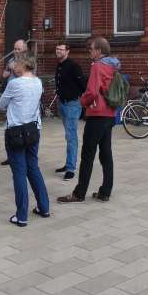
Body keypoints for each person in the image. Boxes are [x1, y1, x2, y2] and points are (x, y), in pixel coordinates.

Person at [58, 37, 120, 204]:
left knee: (87, 155)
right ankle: (105, 192)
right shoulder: (113, 66)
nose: (90, 52)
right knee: (106, 154)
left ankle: (79, 193)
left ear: (99, 51)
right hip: (109, 114)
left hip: (97, 115)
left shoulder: (98, 66)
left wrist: (81, 102)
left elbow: (92, 92)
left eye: (91, 49)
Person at [0, 54, 50, 227]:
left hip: (15, 131)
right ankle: (44, 207)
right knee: (33, 168)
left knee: (19, 172)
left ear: (22, 65)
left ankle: (21, 216)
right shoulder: (38, 82)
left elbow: (1, 104)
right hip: (33, 129)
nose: (13, 66)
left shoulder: (15, 83)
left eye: (15, 63)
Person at [54, 42, 86, 181]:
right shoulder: (59, 65)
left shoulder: (74, 66)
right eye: (57, 49)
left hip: (72, 104)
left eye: (61, 49)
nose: (58, 51)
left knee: (71, 136)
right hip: (62, 103)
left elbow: (83, 85)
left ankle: (71, 168)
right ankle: (68, 164)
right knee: (68, 135)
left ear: (67, 51)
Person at [0, 38, 28, 166]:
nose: (16, 51)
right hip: (9, 98)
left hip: (20, 100)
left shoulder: (28, 62)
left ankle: (21, 155)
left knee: (20, 128)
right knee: (8, 128)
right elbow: (4, 74)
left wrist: (14, 69)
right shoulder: (11, 60)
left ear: (24, 50)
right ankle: (10, 156)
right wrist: (7, 71)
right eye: (15, 49)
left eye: (19, 49)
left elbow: (26, 76)